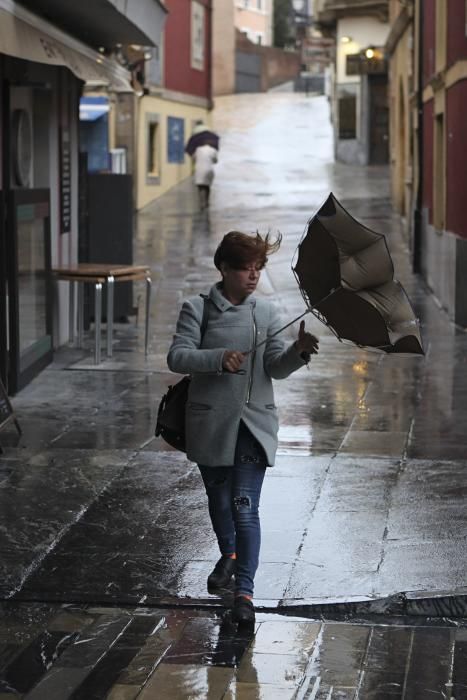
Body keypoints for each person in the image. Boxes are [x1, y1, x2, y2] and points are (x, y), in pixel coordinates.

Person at [167, 231, 319, 624]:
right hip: (209, 424)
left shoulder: (266, 313)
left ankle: (244, 594)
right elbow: (178, 357)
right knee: (219, 503)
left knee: (245, 508)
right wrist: (218, 358)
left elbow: (274, 368)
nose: (253, 276)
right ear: (224, 268)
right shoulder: (197, 308)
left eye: (258, 268)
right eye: (245, 268)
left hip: (253, 425)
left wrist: (298, 353)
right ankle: (229, 554)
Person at [193, 142, 218, 210]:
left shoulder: (198, 149)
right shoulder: (213, 150)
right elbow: (215, 161)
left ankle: (202, 202)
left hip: (199, 169)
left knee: (201, 187)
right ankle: (206, 201)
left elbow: (194, 158)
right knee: (207, 186)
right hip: (209, 169)